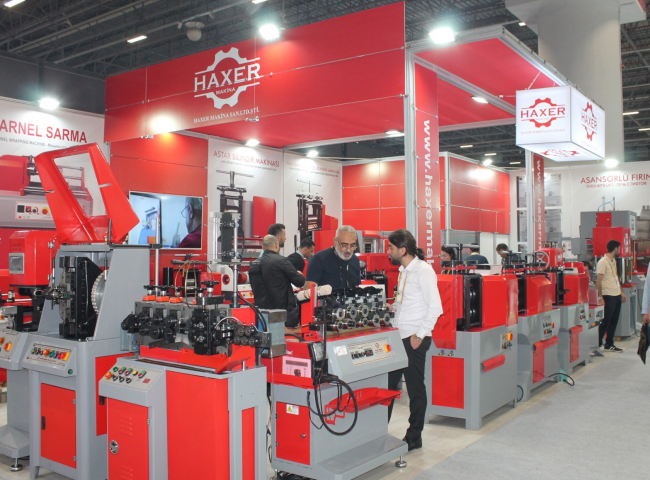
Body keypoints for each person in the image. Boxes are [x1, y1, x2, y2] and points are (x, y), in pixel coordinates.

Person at [386, 229, 443, 452]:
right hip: (398, 336)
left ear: (402, 250)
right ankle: (378, 433)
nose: (388, 251)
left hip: (413, 338)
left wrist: (420, 334)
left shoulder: (423, 271)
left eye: (391, 247)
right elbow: (406, 303)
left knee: (415, 388)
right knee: (388, 387)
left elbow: (435, 307)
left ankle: (414, 436)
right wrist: (393, 308)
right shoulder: (404, 271)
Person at [249, 235, 305, 329]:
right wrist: (300, 274)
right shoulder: (282, 261)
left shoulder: (254, 265)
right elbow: (299, 282)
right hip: (283, 316)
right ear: (276, 245)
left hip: (262, 316)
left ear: (263, 247)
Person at [304, 225, 361, 290]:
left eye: (352, 245)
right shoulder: (319, 259)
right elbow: (308, 290)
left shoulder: (355, 260)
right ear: (335, 241)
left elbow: (356, 287)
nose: (348, 250)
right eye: (344, 245)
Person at [596, 240, 627, 351]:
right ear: (615, 249)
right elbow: (599, 280)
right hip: (608, 295)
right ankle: (597, 343)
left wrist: (621, 292)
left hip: (616, 294)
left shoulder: (613, 261)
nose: (619, 251)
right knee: (606, 321)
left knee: (614, 321)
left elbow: (616, 277)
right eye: (619, 249)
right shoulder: (603, 262)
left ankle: (609, 343)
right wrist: (600, 297)